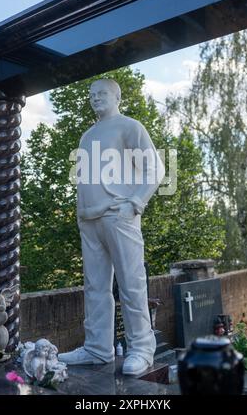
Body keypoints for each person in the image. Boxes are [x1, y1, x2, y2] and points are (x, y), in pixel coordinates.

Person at [58, 79, 165, 375]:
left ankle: (142, 349)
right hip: (89, 219)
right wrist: (80, 212)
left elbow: (155, 168)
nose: (95, 99)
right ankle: (97, 347)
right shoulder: (87, 135)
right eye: (91, 95)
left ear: (117, 96)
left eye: (101, 93)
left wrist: (135, 203)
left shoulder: (130, 126)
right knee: (95, 287)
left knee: (131, 284)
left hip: (119, 214)